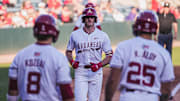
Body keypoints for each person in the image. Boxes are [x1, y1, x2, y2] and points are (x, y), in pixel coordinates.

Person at [105, 10, 175, 101]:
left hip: (128, 96)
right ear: (155, 28)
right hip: (151, 97)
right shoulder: (163, 53)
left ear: (137, 26)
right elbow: (166, 89)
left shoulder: (123, 47)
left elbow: (112, 80)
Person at [7, 14, 74, 101]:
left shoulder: (20, 55)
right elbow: (66, 94)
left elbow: (12, 91)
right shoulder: (58, 57)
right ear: (53, 31)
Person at [66, 7, 113, 101]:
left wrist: (99, 65)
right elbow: (68, 51)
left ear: (95, 19)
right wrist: (72, 61)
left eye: (92, 17)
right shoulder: (75, 35)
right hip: (80, 71)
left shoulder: (102, 35)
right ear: (83, 19)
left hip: (96, 73)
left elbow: (110, 55)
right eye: (87, 17)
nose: (89, 19)